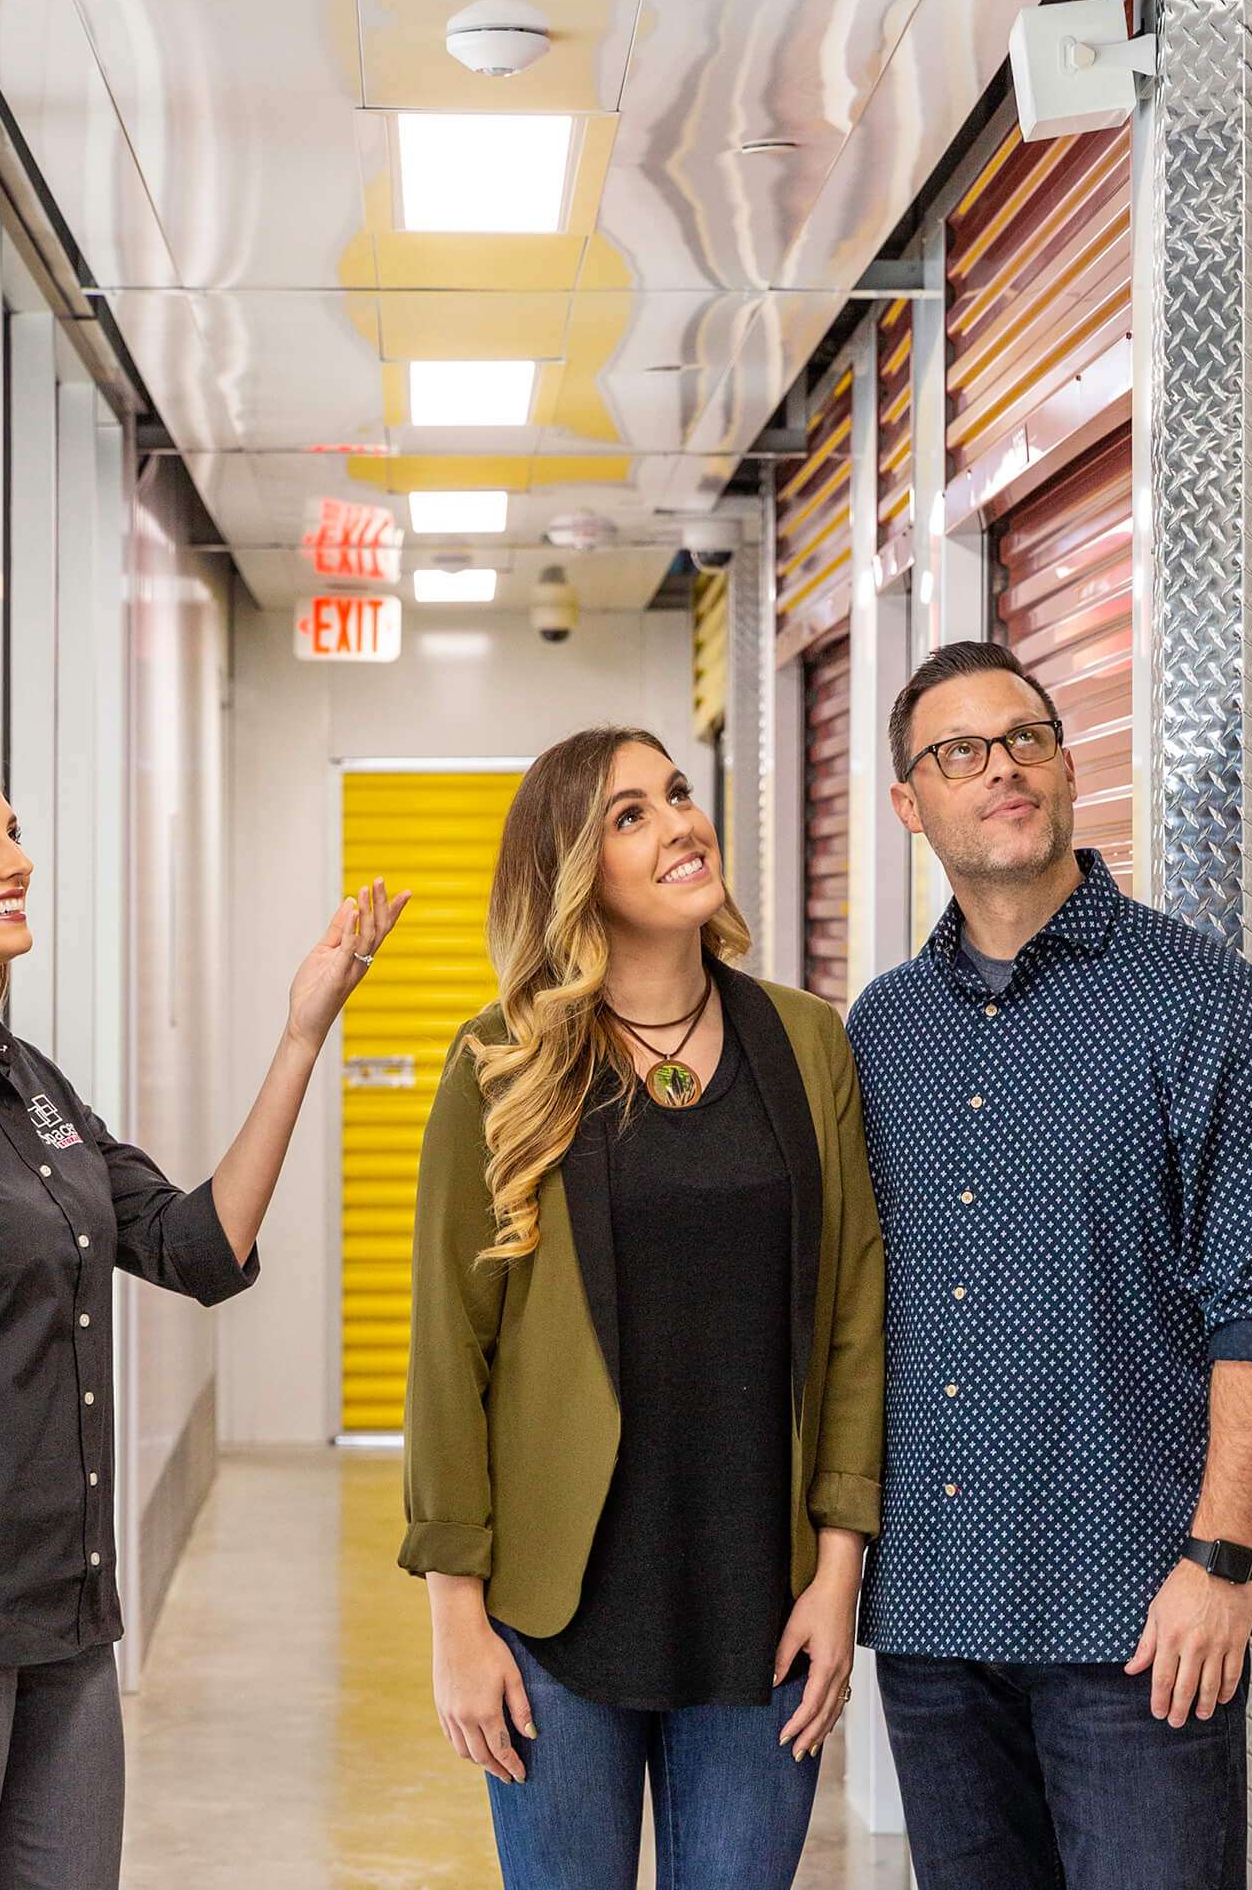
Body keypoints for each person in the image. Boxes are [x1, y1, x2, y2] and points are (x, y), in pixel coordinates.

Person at [0, 736, 407, 1886]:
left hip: (60, 1618)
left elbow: (195, 1244)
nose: (18, 858)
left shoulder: (24, 1082)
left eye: (10, 828)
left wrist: (305, 1032)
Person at [847, 641, 1252, 1890]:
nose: (1000, 766)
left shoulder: (1207, 1006)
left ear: (1067, 767)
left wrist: (1221, 1561)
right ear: (911, 803)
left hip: (1139, 1619)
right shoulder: (882, 1030)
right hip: (931, 1613)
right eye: (958, 751)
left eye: (1026, 737)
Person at [400, 726, 885, 1890]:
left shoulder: (807, 1041)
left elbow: (857, 1315)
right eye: (629, 814)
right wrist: (455, 1620)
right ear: (574, 870)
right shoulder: (501, 1062)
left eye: (674, 793)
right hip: (559, 1612)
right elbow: (447, 1352)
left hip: (756, 1597)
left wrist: (836, 1571)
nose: (677, 822)